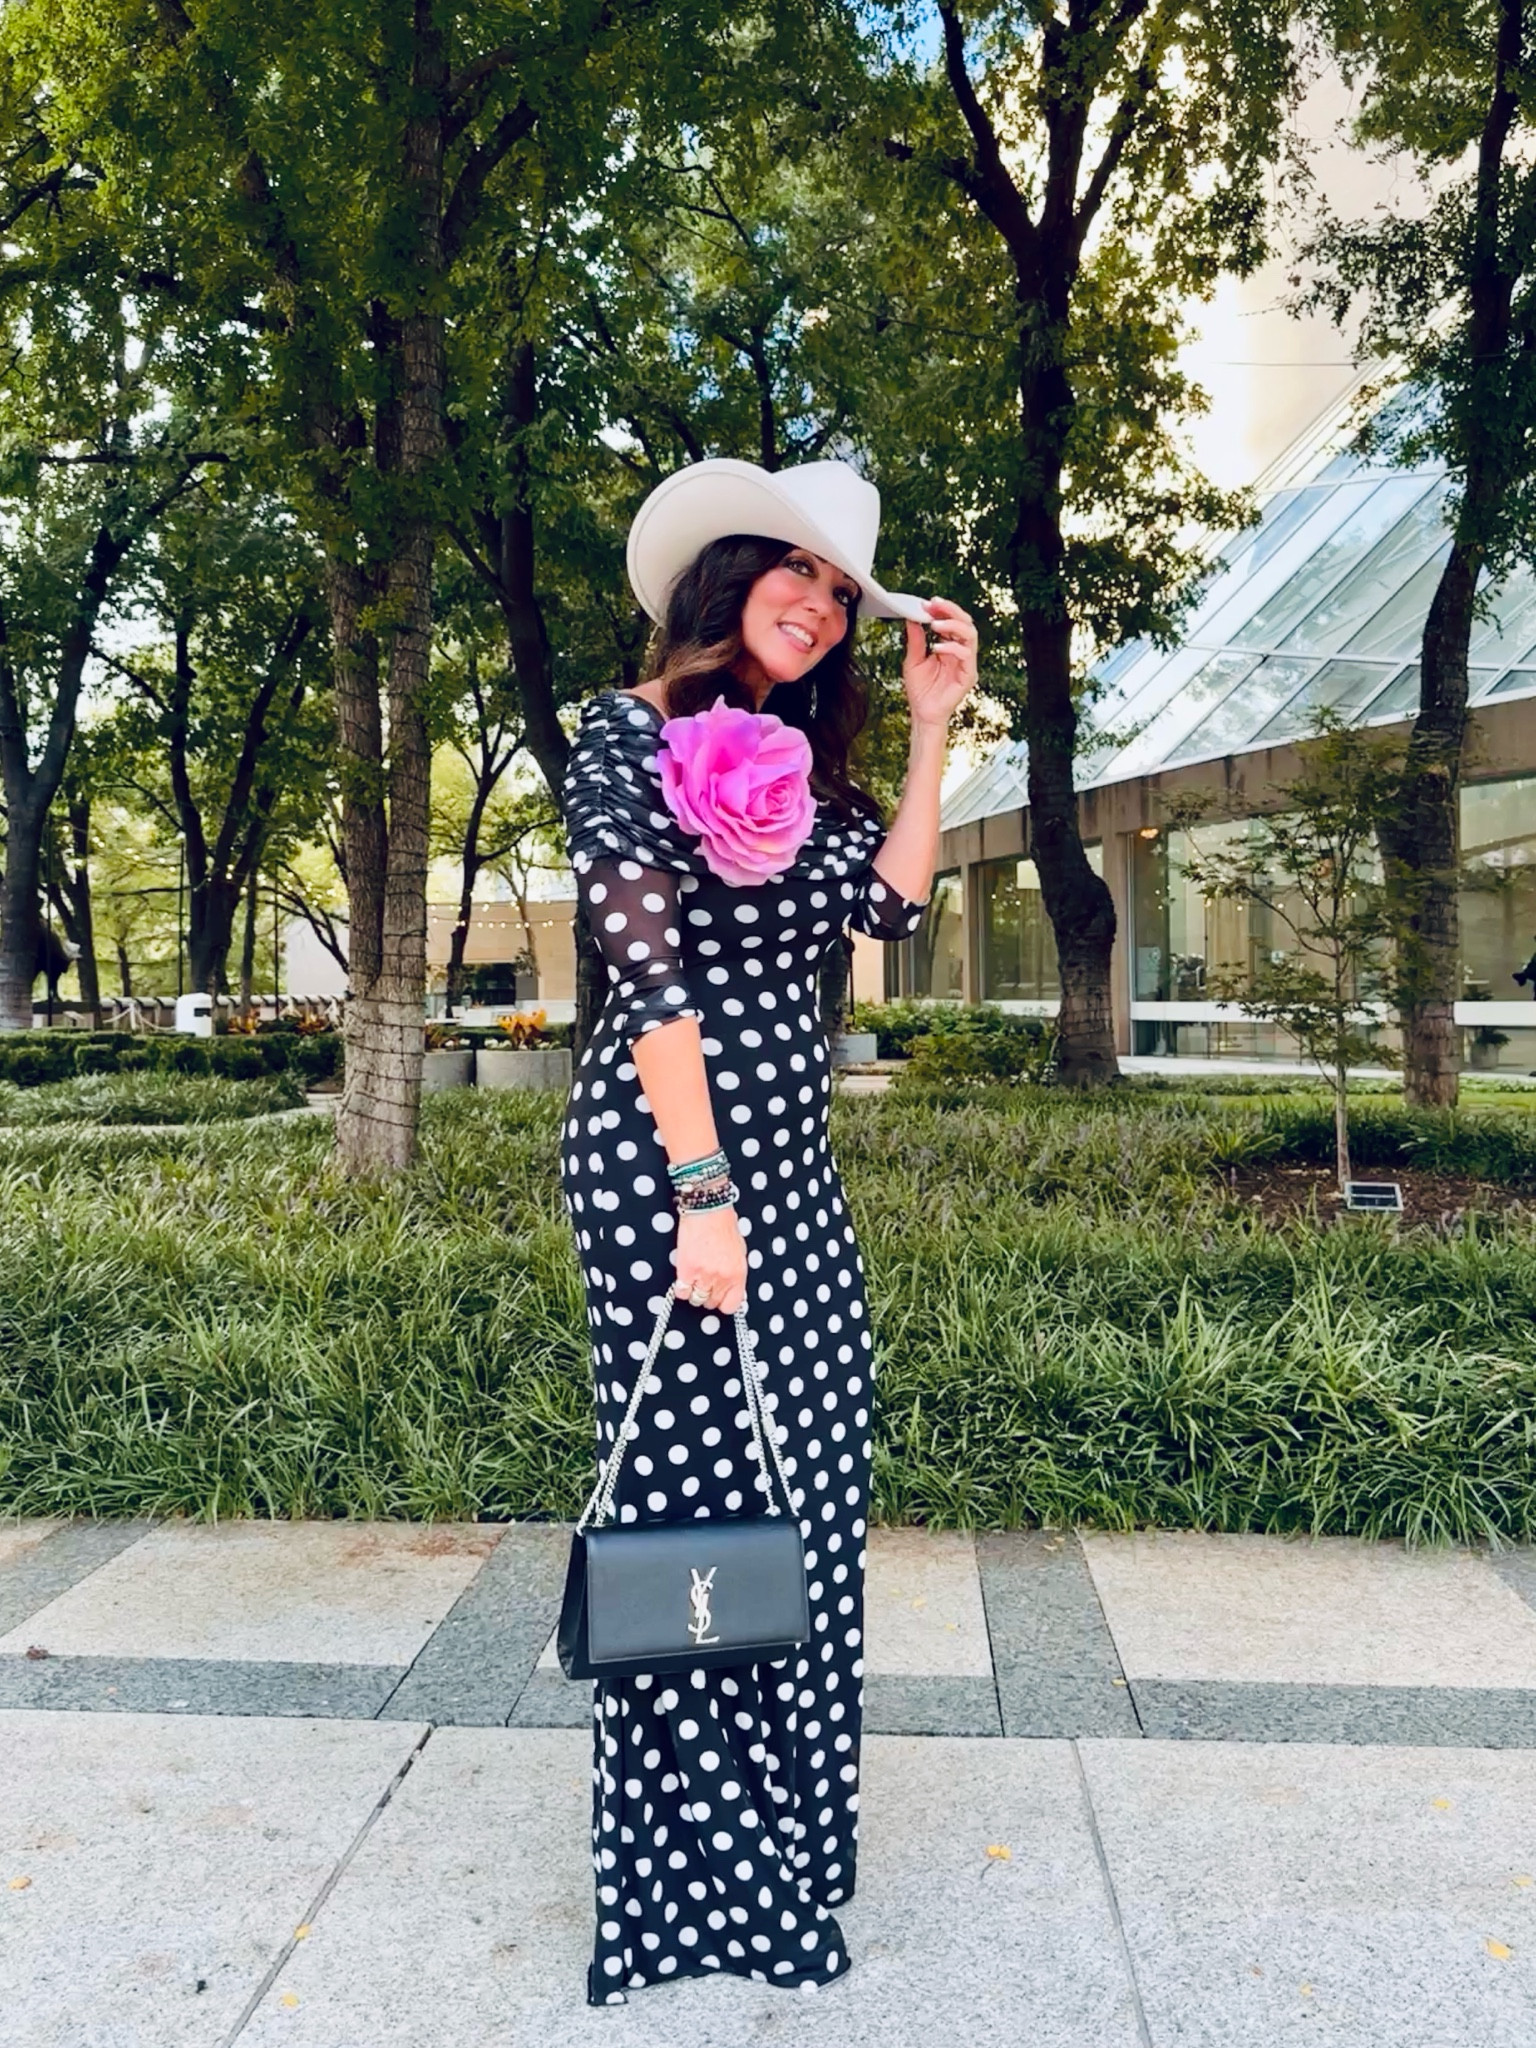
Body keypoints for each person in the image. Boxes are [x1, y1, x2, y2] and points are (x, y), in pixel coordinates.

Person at [559, 457, 977, 2004]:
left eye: (838, 590)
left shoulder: (805, 768)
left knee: (805, 1502)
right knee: (692, 1507)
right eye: (792, 571)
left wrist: (933, 729)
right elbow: (649, 975)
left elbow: (886, 916)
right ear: (725, 579)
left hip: (793, 1180)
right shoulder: (625, 734)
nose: (816, 602)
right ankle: (691, 1888)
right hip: (674, 1170)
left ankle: (789, 1852)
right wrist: (702, 1195)